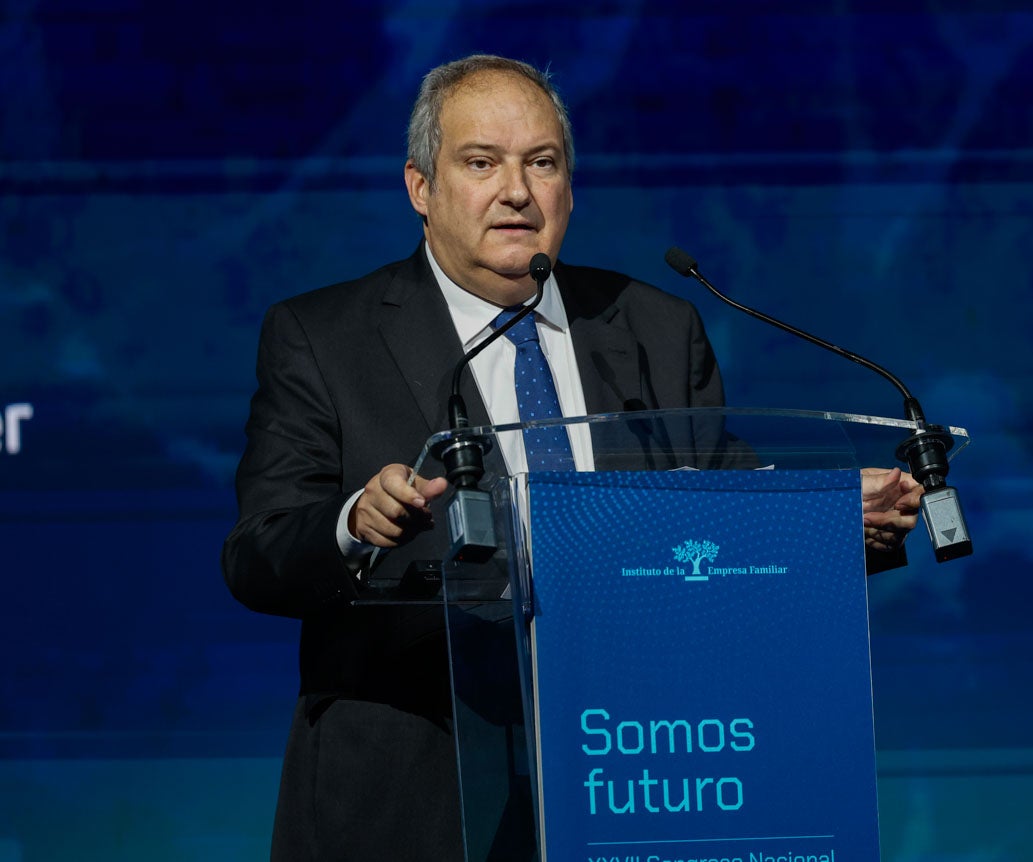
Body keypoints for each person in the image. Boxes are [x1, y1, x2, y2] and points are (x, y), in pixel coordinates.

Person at [223, 54, 925, 861]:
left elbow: (719, 512)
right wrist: (356, 521)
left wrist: (829, 521)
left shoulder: (654, 326)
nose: (516, 190)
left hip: (640, 770)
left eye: (542, 163)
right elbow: (258, 556)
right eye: (481, 162)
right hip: (417, 786)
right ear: (421, 187)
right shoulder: (323, 336)